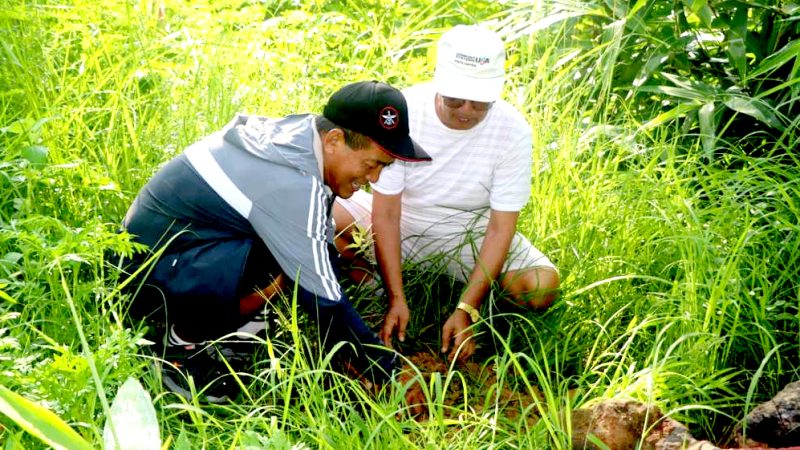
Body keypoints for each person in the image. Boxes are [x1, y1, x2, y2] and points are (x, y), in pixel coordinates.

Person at [117, 80, 431, 403]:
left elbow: (321, 254)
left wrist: (349, 347)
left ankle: (229, 331)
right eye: (372, 164)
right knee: (278, 263)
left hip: (177, 252)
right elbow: (323, 299)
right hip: (146, 276)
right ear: (335, 140)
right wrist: (391, 372)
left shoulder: (302, 140)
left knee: (295, 255)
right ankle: (181, 352)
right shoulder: (293, 182)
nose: (375, 178)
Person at [334, 25, 560, 364]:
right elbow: (387, 212)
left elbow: (501, 226)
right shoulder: (403, 110)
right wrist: (397, 298)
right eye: (455, 98)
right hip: (404, 224)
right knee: (330, 216)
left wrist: (468, 308)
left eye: (480, 101)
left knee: (540, 285)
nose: (467, 110)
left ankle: (482, 308)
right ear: (439, 81)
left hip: (471, 235)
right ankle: (375, 288)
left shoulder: (513, 130)